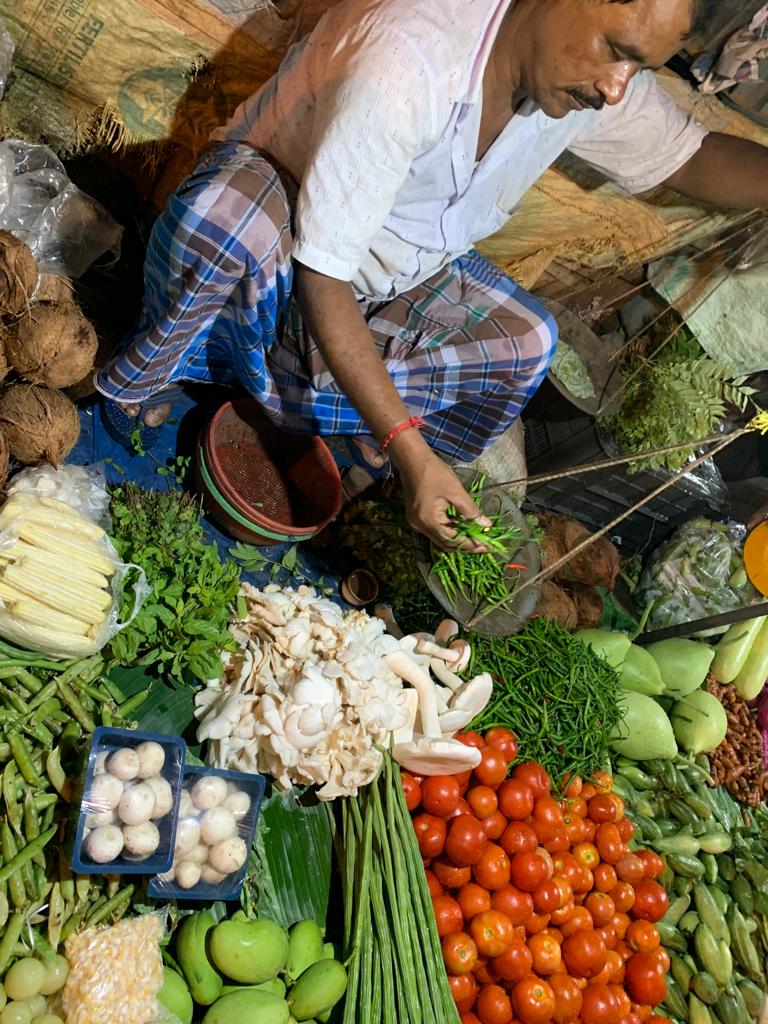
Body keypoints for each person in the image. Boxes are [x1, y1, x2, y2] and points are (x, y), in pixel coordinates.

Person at [96, 0, 768, 549]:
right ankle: (144, 383)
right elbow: (322, 279)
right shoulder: (410, 56)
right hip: (276, 263)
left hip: (380, 289)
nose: (618, 86)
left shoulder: (579, 79)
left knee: (528, 340)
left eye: (640, 67)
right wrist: (407, 441)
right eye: (619, 51)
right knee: (229, 220)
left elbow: (689, 156)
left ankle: (375, 475)